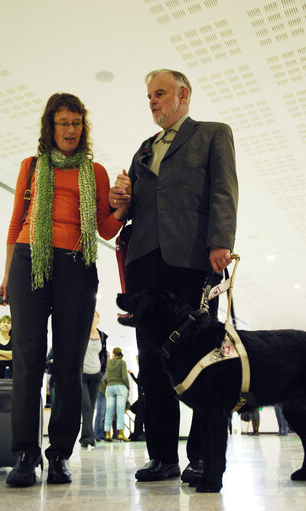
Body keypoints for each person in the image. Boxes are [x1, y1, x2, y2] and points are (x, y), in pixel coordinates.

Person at [109, 69, 238, 482]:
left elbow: (224, 189)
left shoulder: (214, 133)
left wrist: (220, 241)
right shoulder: (142, 150)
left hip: (194, 258)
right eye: (149, 96)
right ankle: (162, 455)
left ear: (184, 95)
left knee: (205, 358)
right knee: (150, 361)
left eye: (159, 93)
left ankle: (202, 456)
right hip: (146, 261)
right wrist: (121, 201)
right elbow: (139, 207)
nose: (152, 101)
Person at [0, 92, 126, 488]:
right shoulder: (31, 166)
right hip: (28, 259)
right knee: (28, 360)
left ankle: (59, 457)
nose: (70, 130)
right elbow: (17, 219)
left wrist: (124, 204)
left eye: (76, 123)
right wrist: (6, 275)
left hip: (77, 263)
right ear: (50, 128)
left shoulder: (97, 172)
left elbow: (105, 229)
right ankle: (24, 454)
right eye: (63, 123)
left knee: (68, 365)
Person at [80, 310, 107, 447]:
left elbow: (104, 356)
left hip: (96, 375)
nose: (92, 318)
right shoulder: (81, 334)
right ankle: (87, 437)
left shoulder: (102, 336)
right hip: (82, 375)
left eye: (95, 316)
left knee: (91, 407)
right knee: (86, 406)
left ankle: (88, 436)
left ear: (98, 319)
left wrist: (102, 372)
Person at [104, 347, 130, 442]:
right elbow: (124, 376)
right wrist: (128, 387)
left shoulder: (108, 363)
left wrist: (107, 385)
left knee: (109, 411)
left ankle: (107, 434)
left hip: (109, 388)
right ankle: (121, 434)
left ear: (113, 353)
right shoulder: (122, 362)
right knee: (120, 411)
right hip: (120, 387)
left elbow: (104, 377)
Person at [128, 357, 146, 441]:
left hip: (142, 396)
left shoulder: (142, 370)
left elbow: (139, 382)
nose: (136, 361)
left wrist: (132, 375)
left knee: (137, 413)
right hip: (141, 396)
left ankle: (138, 433)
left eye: (137, 359)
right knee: (138, 413)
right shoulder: (142, 369)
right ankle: (138, 433)